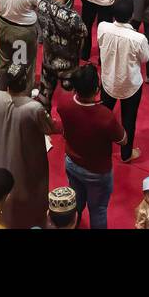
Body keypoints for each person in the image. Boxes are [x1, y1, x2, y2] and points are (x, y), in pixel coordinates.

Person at [54, 64, 124, 228]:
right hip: (97, 172)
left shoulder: (64, 104)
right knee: (98, 210)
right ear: (96, 89)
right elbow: (123, 139)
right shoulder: (105, 116)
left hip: (72, 162)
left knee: (75, 204)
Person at [0, 61, 56, 229]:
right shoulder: (34, 108)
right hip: (26, 160)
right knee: (29, 195)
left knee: (7, 198)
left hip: (3, 156)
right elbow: (50, 128)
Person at [97, 0, 149, 162]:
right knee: (128, 120)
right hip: (130, 84)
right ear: (131, 15)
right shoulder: (138, 38)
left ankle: (100, 146)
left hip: (108, 80)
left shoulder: (102, 27)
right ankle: (126, 153)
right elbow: (146, 58)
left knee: (104, 115)